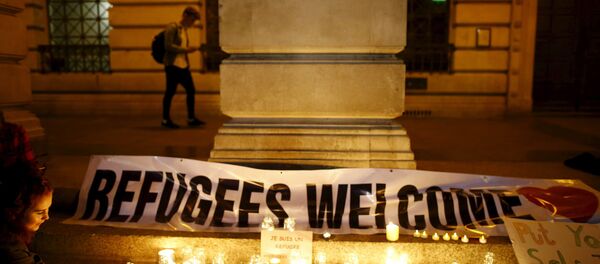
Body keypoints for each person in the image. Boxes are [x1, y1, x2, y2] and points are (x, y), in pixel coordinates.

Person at [161, 6, 206, 129]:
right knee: (170, 92)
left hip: (183, 66)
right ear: (185, 16)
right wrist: (186, 49)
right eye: (192, 20)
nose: (193, 23)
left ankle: (191, 118)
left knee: (191, 90)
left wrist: (188, 51)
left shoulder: (184, 30)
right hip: (173, 66)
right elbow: (168, 46)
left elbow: (182, 48)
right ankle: (165, 119)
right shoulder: (172, 27)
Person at [0, 161, 52, 263]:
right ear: (15, 212)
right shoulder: (9, 248)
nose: (47, 217)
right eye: (40, 212)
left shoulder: (12, 234)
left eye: (48, 209)